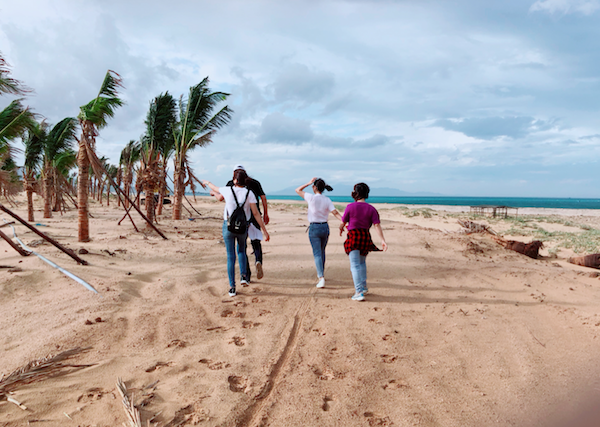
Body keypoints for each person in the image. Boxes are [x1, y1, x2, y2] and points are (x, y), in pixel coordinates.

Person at [203, 170, 269, 297]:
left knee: (230, 257)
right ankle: (244, 277)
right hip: (243, 228)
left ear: (234, 180)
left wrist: (207, 182)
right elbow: (255, 214)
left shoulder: (228, 190)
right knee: (242, 251)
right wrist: (264, 231)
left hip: (228, 227)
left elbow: (215, 188)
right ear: (245, 180)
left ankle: (232, 287)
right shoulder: (249, 193)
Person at [339, 182, 387, 301]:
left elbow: (343, 222)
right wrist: (382, 240)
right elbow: (377, 225)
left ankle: (359, 292)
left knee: (354, 265)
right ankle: (364, 286)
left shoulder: (350, 206)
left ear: (356, 193)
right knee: (361, 263)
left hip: (354, 236)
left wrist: (340, 229)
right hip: (365, 236)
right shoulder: (371, 208)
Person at [295, 177, 343, 288]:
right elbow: (335, 212)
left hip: (314, 227)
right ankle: (321, 274)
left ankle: (321, 277)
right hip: (325, 227)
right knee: (322, 251)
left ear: (314, 187)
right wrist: (343, 221)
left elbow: (297, 190)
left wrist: (308, 182)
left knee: (317, 253)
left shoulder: (311, 197)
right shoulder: (327, 199)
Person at [227, 165, 269, 283]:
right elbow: (263, 198)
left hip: (239, 219)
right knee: (256, 241)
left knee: (242, 246)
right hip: (254, 215)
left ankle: (247, 275)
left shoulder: (231, 183)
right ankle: (258, 260)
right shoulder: (255, 182)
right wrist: (265, 213)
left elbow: (225, 199)